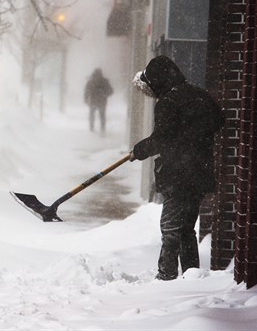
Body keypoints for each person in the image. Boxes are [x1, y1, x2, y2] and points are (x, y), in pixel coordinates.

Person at [130, 55, 224, 281]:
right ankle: (191, 276)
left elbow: (161, 139)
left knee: (170, 228)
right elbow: (218, 120)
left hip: (178, 173)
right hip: (199, 172)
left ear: (158, 80)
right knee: (186, 229)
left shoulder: (169, 102)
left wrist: (139, 150)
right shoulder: (199, 96)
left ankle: (166, 276)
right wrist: (192, 136)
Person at [84, 68, 113, 133]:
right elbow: (111, 91)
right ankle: (102, 129)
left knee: (92, 115)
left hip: (93, 101)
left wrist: (86, 99)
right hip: (101, 101)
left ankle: (91, 128)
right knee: (102, 115)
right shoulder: (105, 81)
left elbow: (86, 91)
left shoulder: (91, 81)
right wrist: (105, 94)